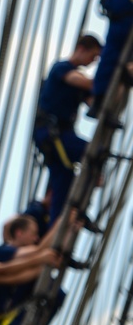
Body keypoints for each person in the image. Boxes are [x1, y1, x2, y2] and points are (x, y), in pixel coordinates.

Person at [33, 35, 101, 222]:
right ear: (81, 49)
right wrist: (106, 78)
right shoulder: (62, 68)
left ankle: (59, 224)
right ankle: (92, 182)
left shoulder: (78, 77)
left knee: (62, 188)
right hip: (53, 135)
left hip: (59, 137)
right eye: (93, 56)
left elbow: (93, 101)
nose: (93, 62)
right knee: (96, 152)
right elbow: (83, 82)